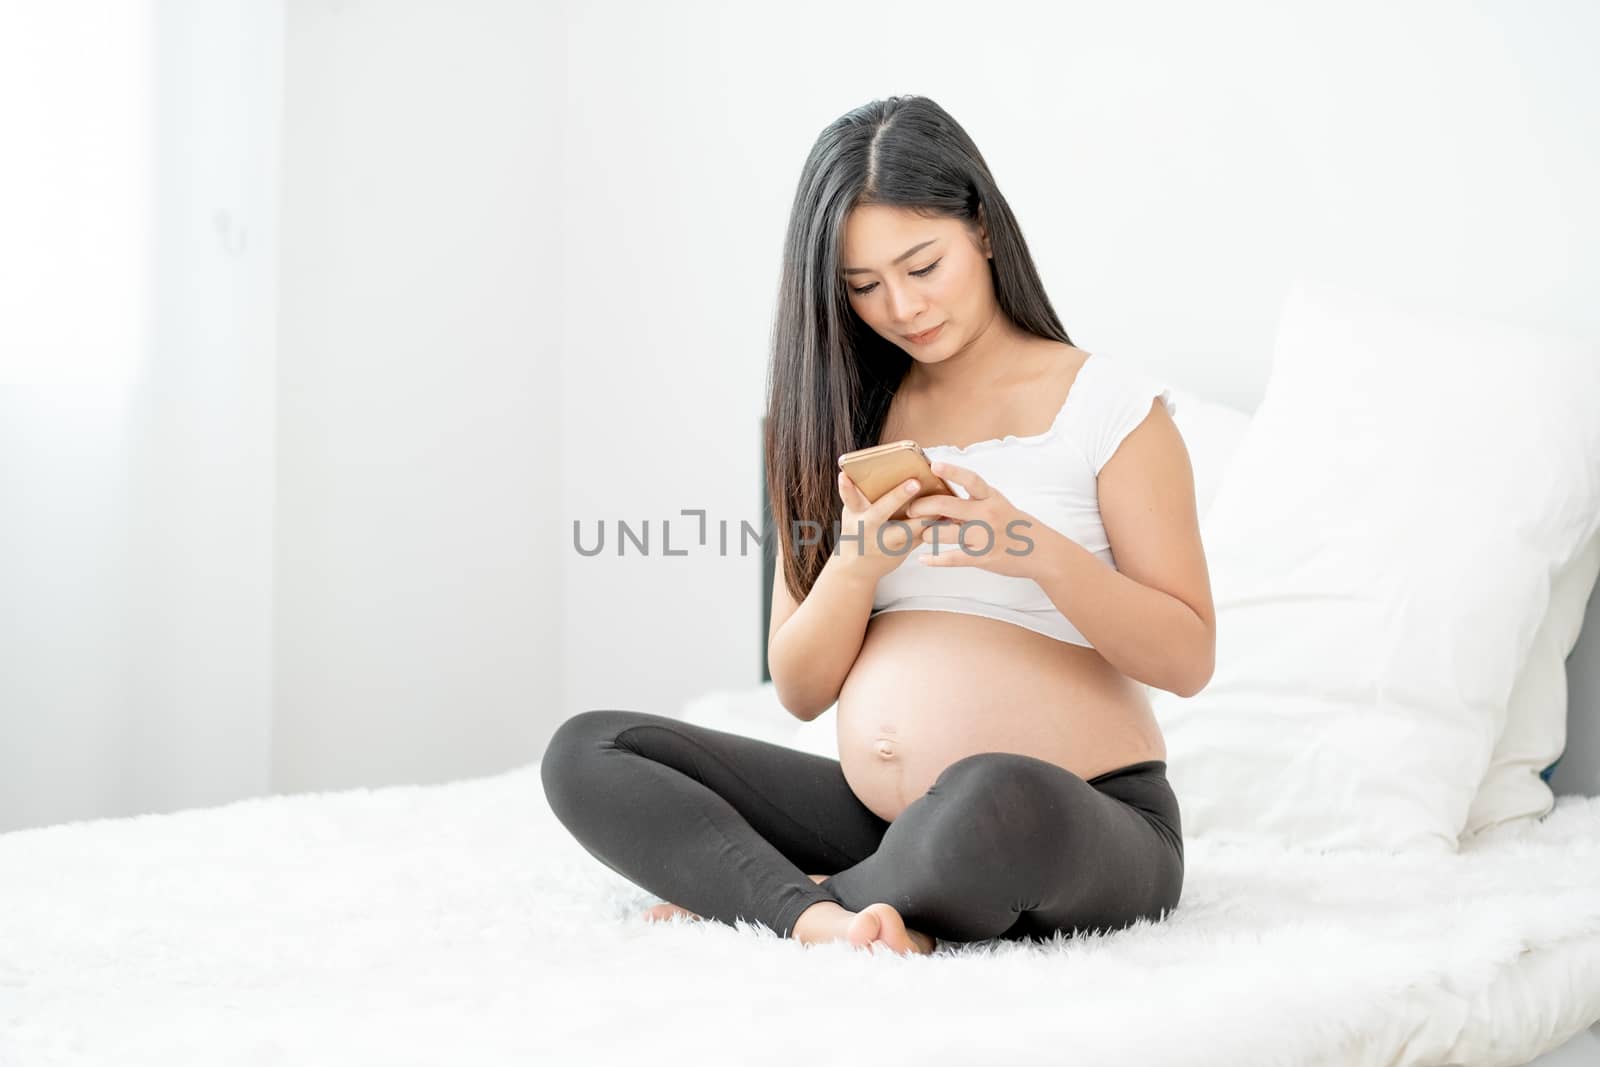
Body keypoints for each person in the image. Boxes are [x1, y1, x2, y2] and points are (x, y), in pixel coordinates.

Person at [541, 94, 1214, 956]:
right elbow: (800, 689)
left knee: (989, 796)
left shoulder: (1111, 409)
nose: (901, 307)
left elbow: (1188, 657)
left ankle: (787, 900)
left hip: (1078, 820)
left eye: (922, 265)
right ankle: (839, 916)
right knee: (589, 749)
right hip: (881, 819)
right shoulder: (837, 423)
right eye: (863, 286)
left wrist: (1029, 549)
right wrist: (855, 565)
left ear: (982, 229)